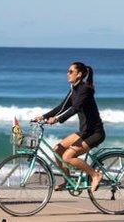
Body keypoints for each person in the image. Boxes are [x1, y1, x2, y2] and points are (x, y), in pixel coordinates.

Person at [33, 62, 105, 193]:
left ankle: (95, 175)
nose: (67, 74)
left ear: (79, 74)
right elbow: (62, 106)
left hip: (95, 133)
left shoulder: (85, 90)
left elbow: (75, 108)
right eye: (68, 71)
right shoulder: (74, 89)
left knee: (67, 157)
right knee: (57, 150)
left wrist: (58, 119)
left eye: (70, 71)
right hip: (84, 132)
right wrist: (43, 117)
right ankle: (67, 181)